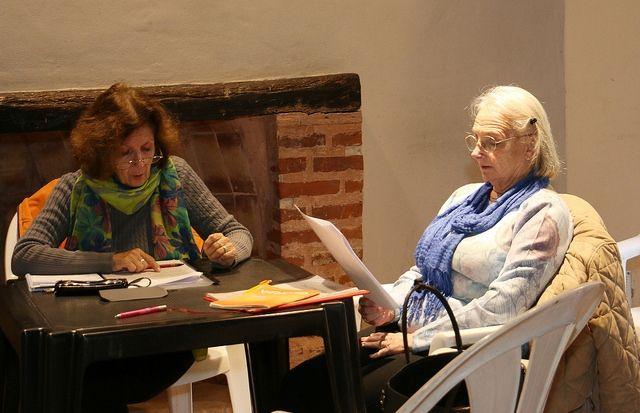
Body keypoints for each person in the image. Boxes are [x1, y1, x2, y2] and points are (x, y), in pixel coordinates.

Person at [278, 85, 573, 412]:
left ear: (530, 145)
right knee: (300, 384)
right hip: (417, 331)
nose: (476, 153)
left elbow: (504, 308)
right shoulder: (464, 198)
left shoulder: (542, 213)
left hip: (473, 351)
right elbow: (423, 271)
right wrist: (391, 305)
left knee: (349, 397)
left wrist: (416, 338)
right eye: (475, 140)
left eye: (491, 142)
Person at [12, 82, 253, 412]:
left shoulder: (175, 176)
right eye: (125, 153)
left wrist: (227, 250)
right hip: (97, 332)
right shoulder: (76, 187)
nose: (140, 163)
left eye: (147, 149)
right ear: (102, 152)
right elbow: (25, 255)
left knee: (79, 382)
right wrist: (110, 260)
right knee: (29, 365)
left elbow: (238, 233)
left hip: (170, 333)